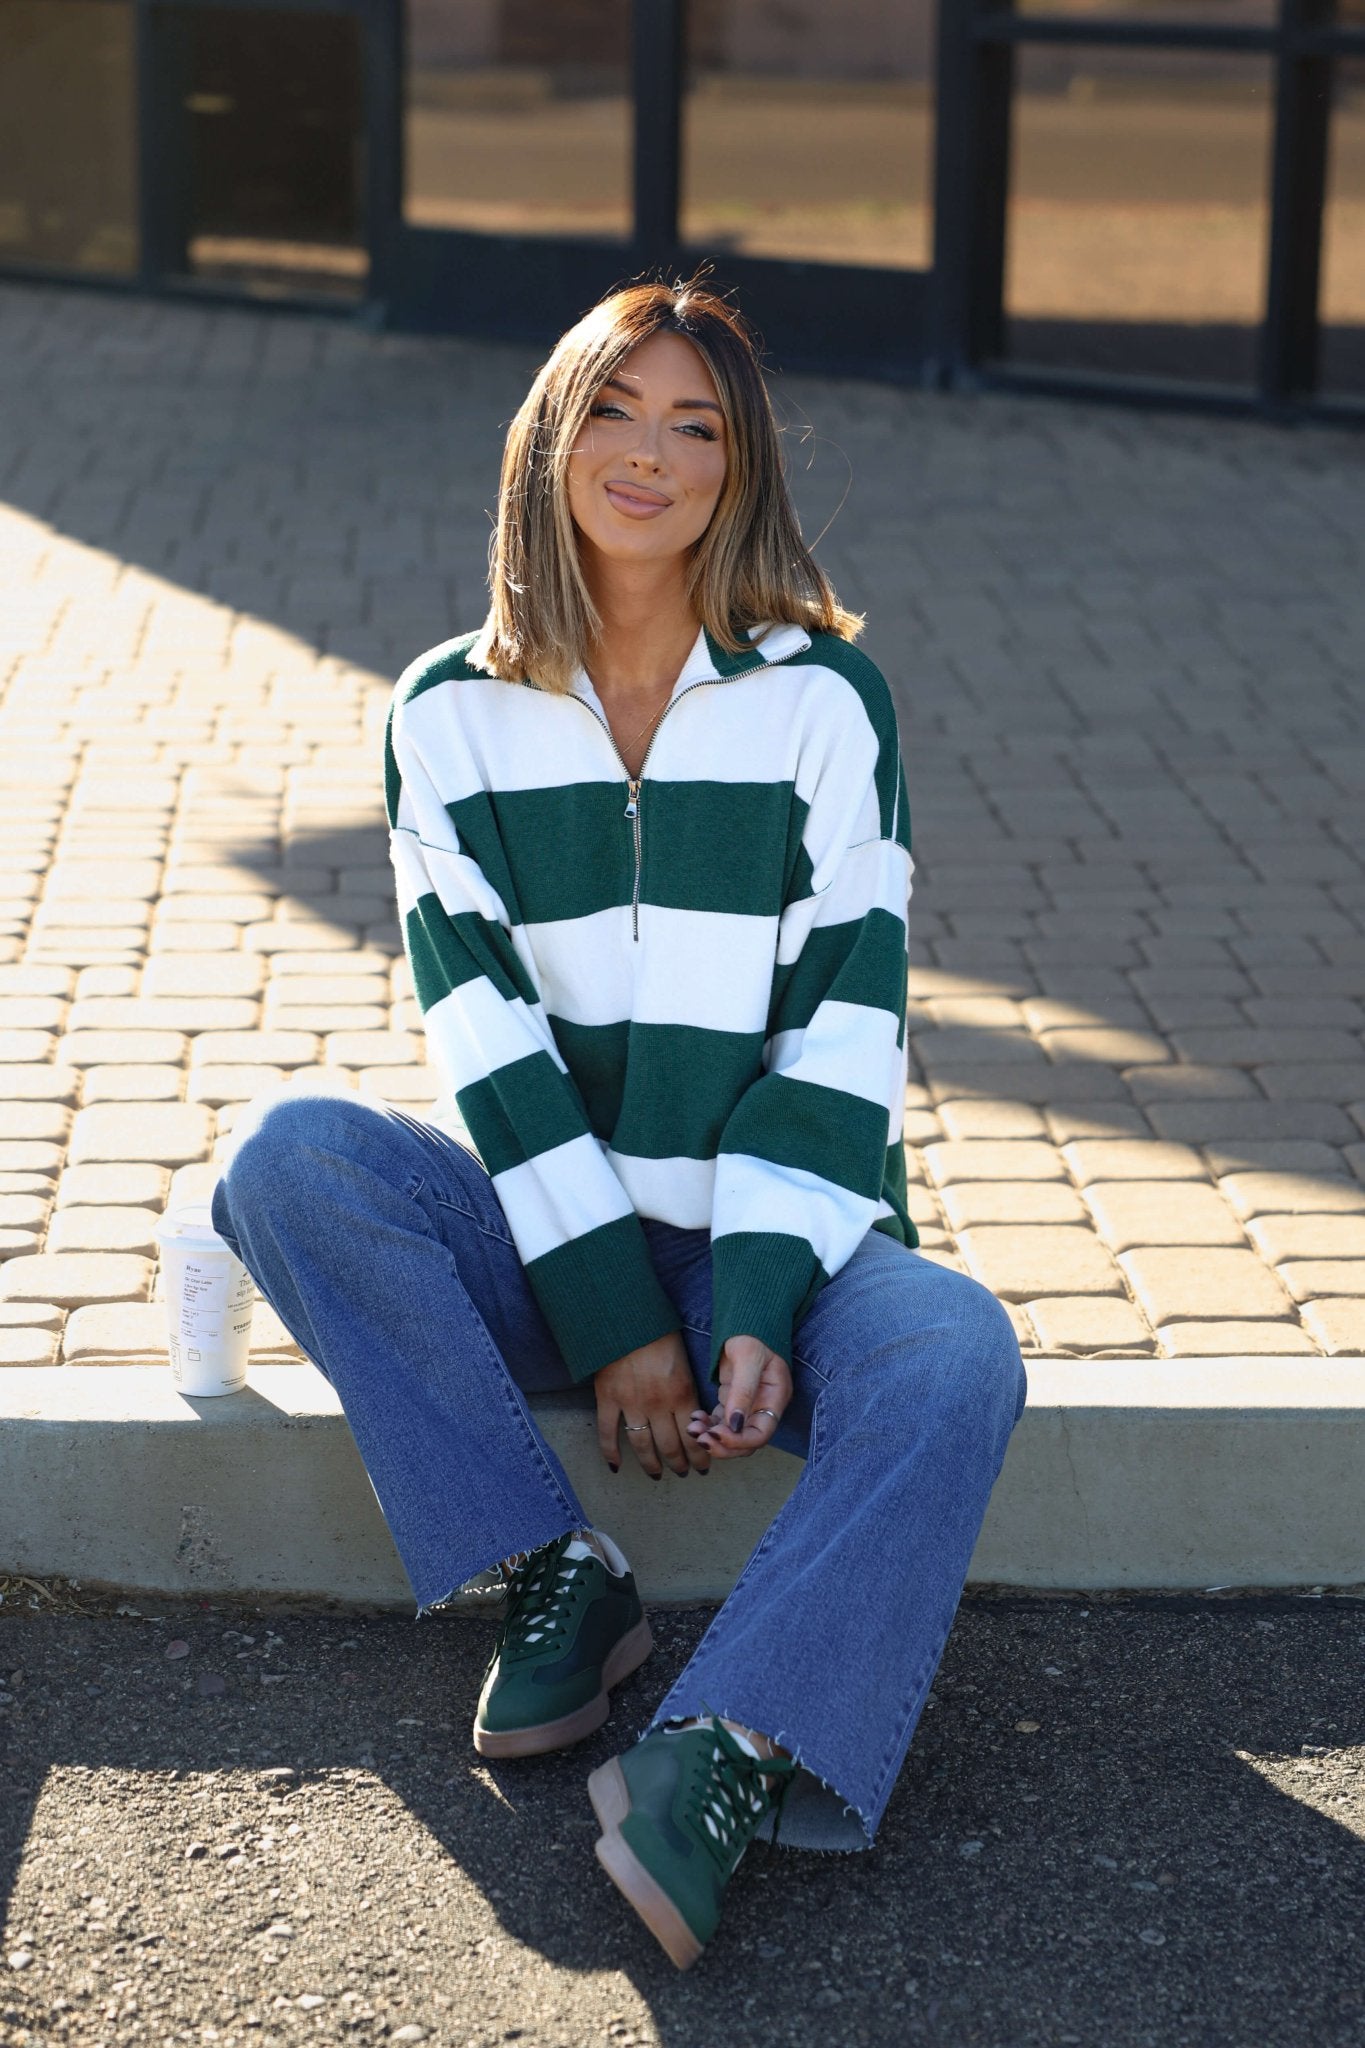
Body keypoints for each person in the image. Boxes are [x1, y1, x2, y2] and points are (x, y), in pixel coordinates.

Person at [210, 275, 1027, 1971]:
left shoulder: (824, 704)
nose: (648, 454)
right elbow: (485, 1040)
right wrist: (611, 1321)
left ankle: (723, 1748)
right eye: (614, 410)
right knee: (292, 1163)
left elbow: (845, 1025)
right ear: (552, 436)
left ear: (740, 470)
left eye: (695, 425)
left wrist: (750, 1298)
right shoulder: (446, 713)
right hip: (548, 1235)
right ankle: (554, 1573)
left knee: (954, 1352)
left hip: (772, 1250)